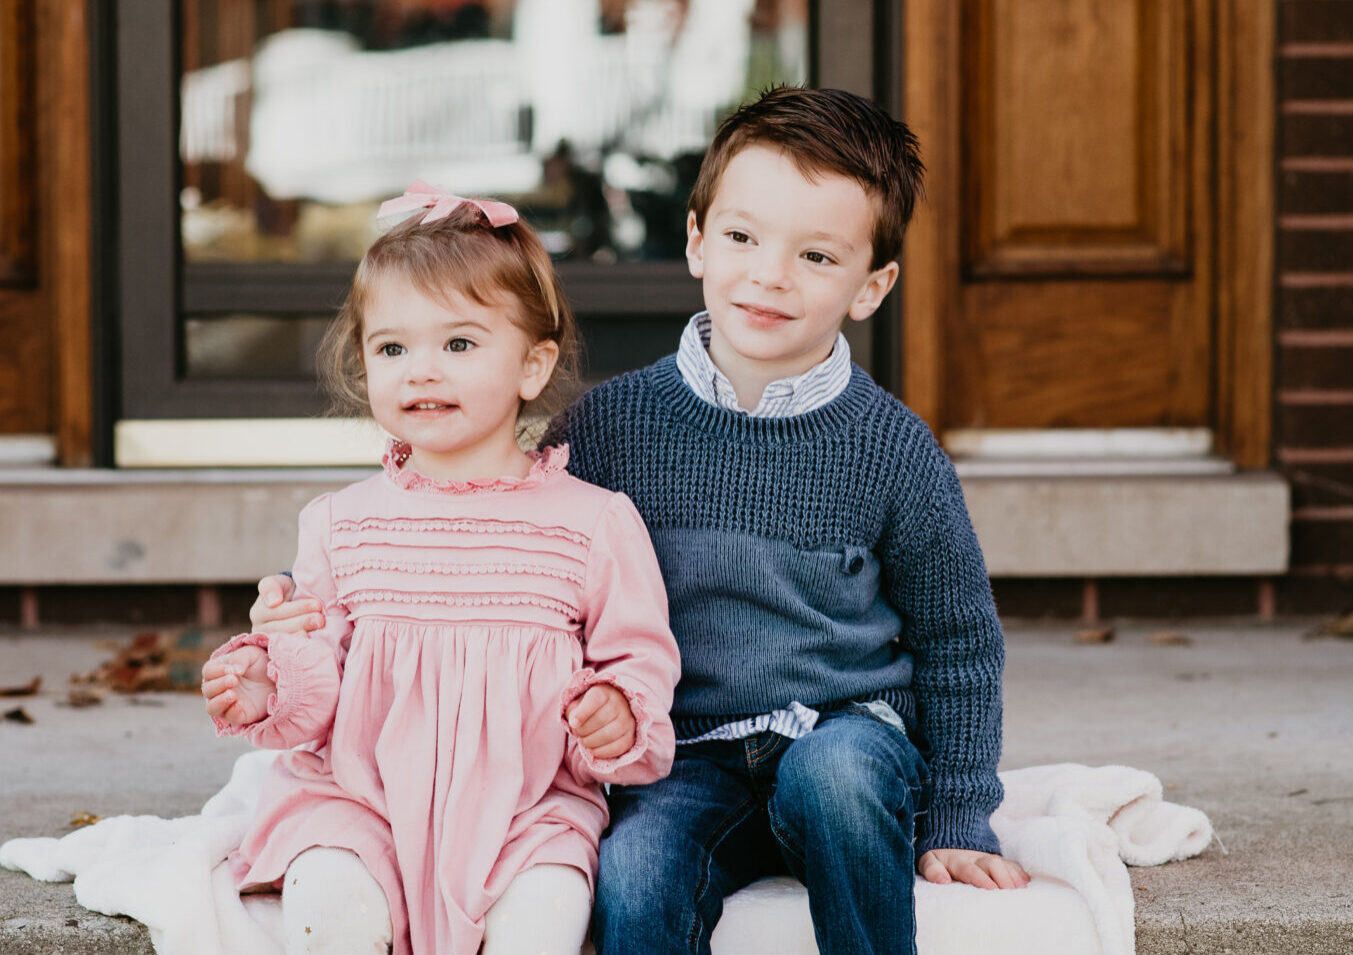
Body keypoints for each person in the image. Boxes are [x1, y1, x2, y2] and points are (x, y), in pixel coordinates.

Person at [251, 87, 1028, 954]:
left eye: (814, 255)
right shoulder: (612, 427)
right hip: (683, 753)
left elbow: (958, 639)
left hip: (842, 730)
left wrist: (960, 812)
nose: (768, 274)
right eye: (741, 237)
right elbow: (510, 545)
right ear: (695, 240)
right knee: (639, 869)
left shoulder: (891, 448)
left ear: (870, 286)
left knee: (839, 780)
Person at [202, 183, 680, 955]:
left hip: (527, 809)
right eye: (393, 347)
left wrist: (616, 713)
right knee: (330, 906)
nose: (421, 370)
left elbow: (639, 658)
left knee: (545, 915)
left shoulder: (593, 521)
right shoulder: (341, 521)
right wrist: (270, 681)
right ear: (364, 366)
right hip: (362, 799)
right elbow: (320, 673)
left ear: (532, 364)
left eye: (458, 344)